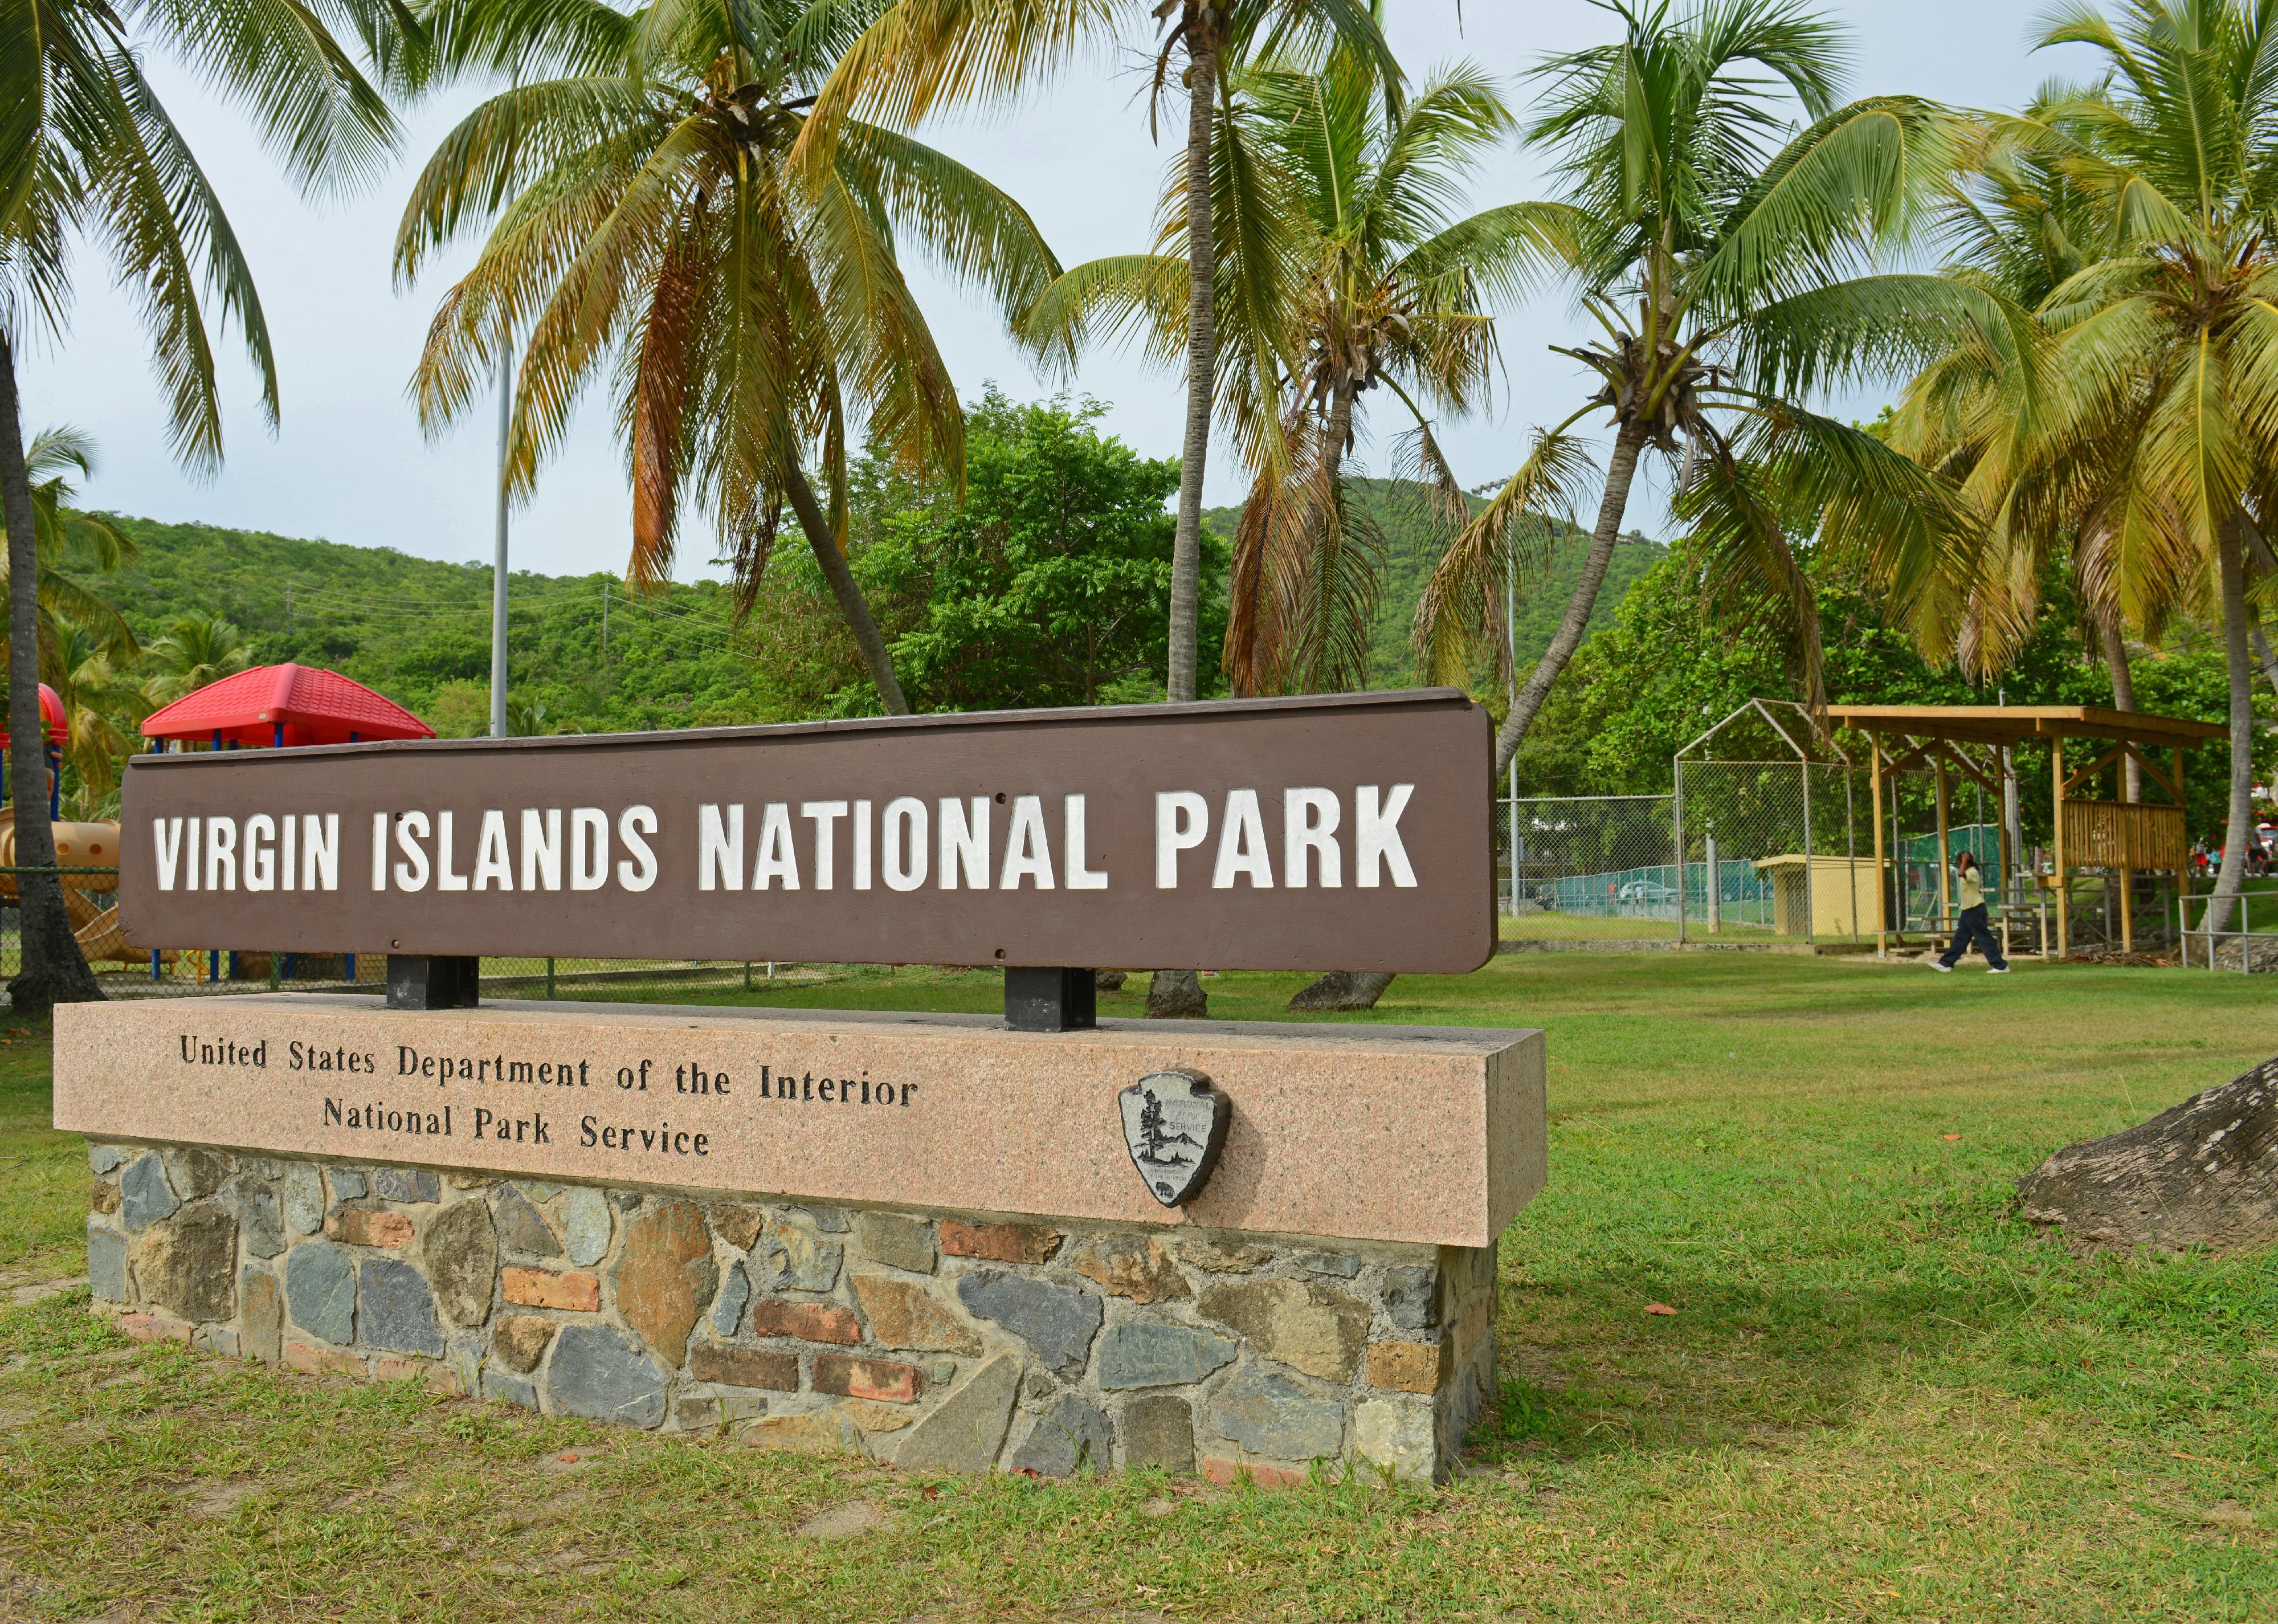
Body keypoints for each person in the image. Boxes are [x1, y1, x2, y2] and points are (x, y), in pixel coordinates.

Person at [1930, 850, 2008, 973]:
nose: (1957, 865)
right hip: (1968, 911)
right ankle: (1946, 963)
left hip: (1975, 910)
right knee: (1960, 939)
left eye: (1958, 863)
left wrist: (1965, 860)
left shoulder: (1972, 872)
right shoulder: (1968, 872)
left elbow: (1961, 873)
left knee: (1984, 938)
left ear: (1965, 863)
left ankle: (2001, 966)